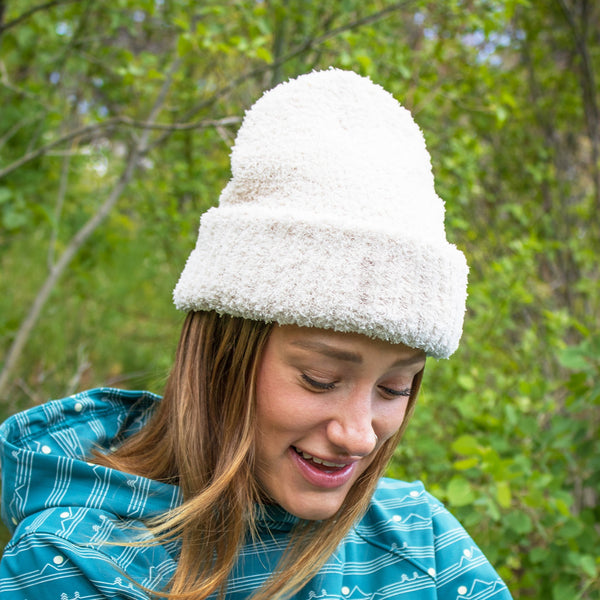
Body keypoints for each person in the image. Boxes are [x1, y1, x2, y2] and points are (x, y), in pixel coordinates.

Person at [0, 69, 513, 599]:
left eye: (395, 388)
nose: (360, 436)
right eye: (320, 378)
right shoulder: (70, 564)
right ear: (222, 356)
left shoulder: (426, 545)